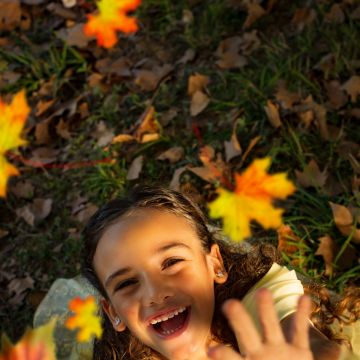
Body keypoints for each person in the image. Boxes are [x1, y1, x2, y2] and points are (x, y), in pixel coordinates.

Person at [34, 186, 359, 359]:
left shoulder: (259, 299)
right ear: (114, 314)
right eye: (128, 282)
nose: (154, 292)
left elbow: (314, 346)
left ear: (214, 265)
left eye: (171, 262)